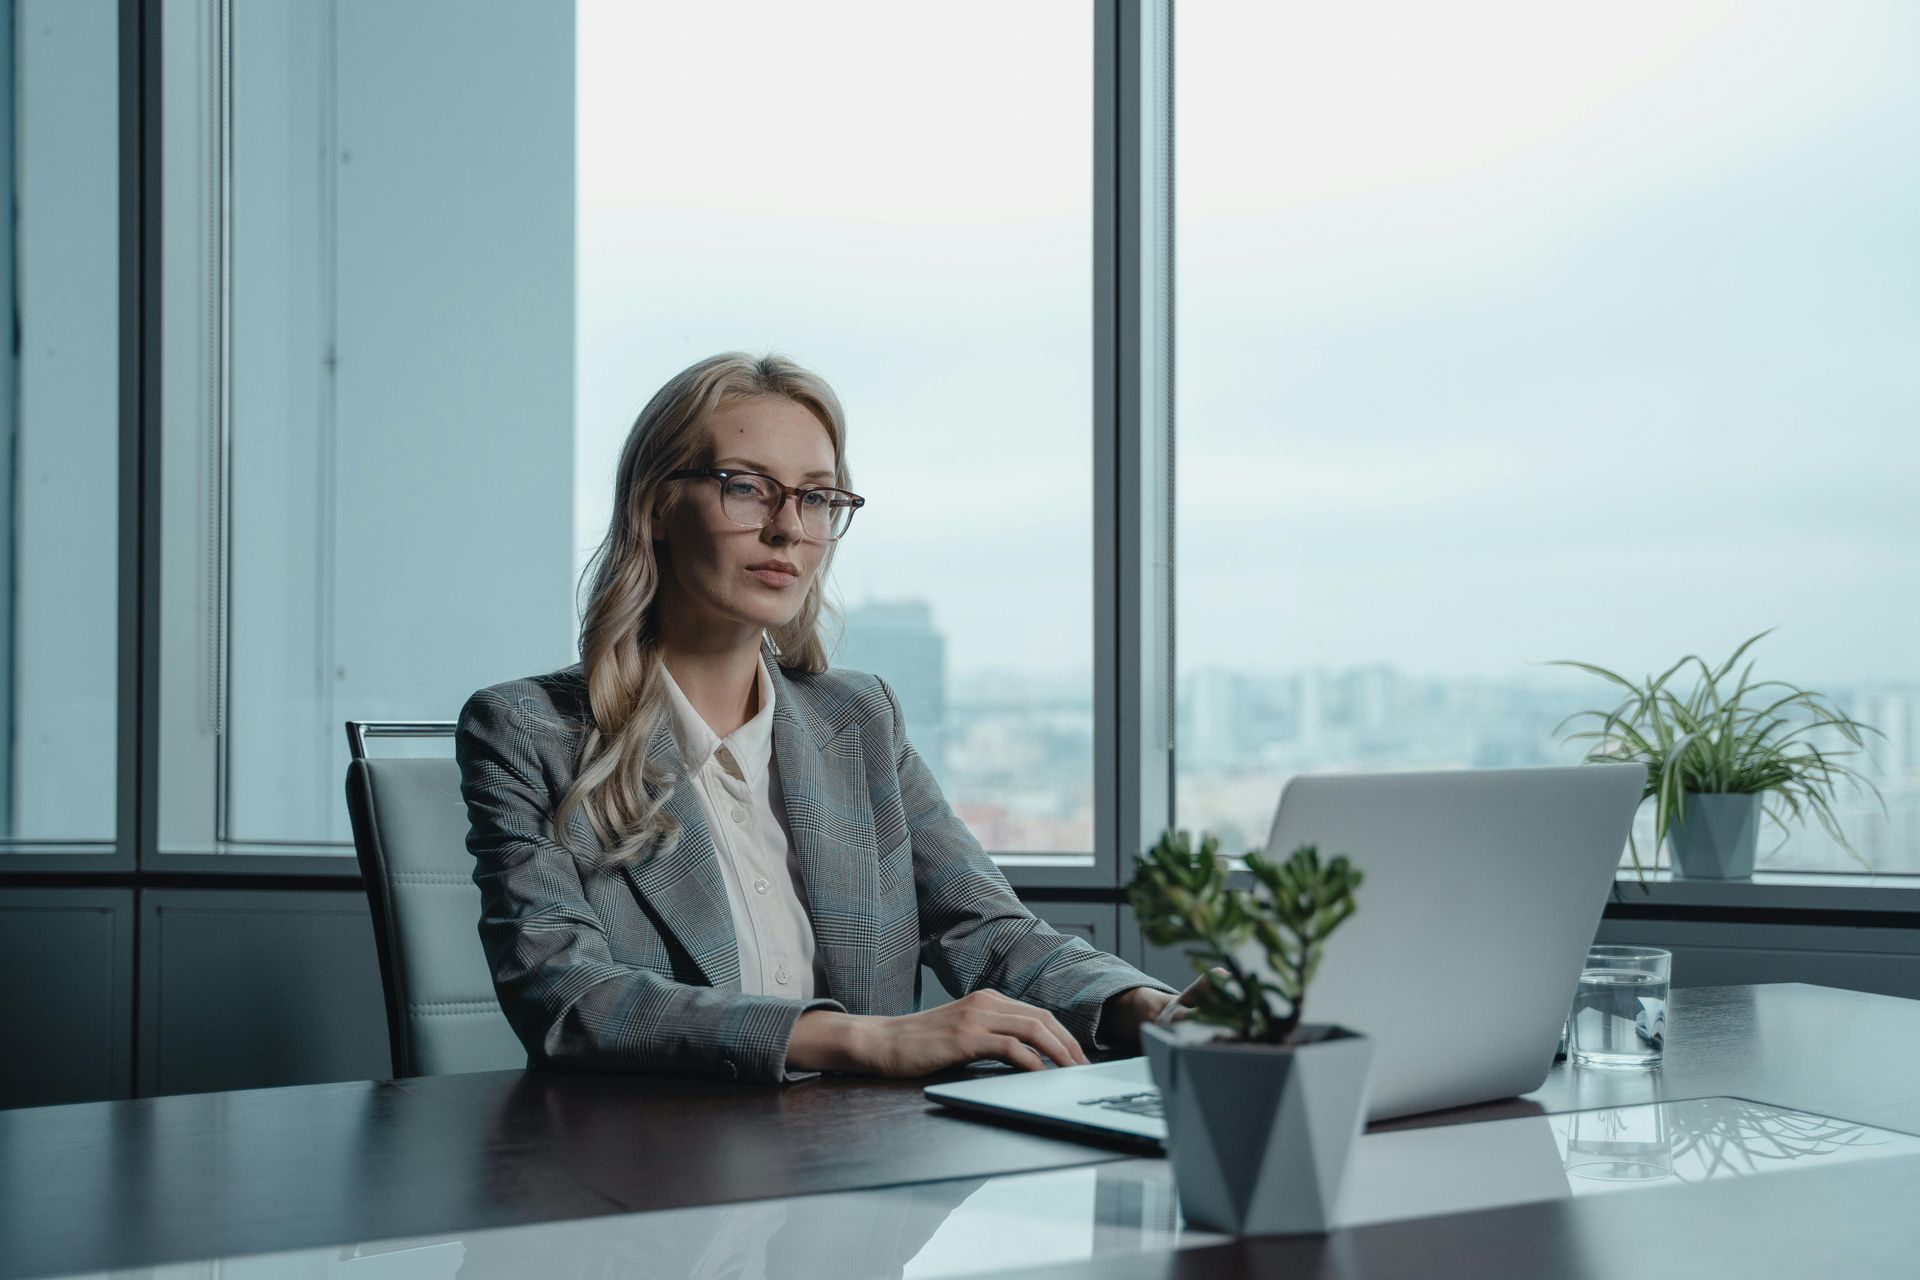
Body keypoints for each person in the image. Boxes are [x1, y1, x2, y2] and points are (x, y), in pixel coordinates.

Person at [455, 351, 1186, 1084]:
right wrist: (865, 1040)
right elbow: (570, 997)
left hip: (864, 1164)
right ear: (654, 507)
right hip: (653, 1168)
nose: (788, 529)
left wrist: (1151, 1009)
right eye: (747, 488)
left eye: (817, 498)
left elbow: (989, 931)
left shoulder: (860, 719)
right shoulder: (528, 732)